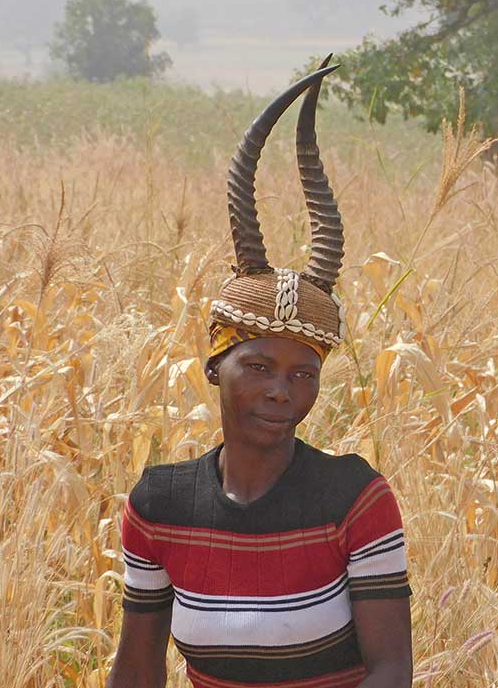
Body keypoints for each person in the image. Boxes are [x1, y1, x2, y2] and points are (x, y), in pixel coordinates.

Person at [108, 61, 413, 688]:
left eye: (304, 374)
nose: (281, 390)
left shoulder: (355, 499)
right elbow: (138, 669)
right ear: (214, 367)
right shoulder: (159, 504)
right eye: (258, 366)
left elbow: (391, 672)